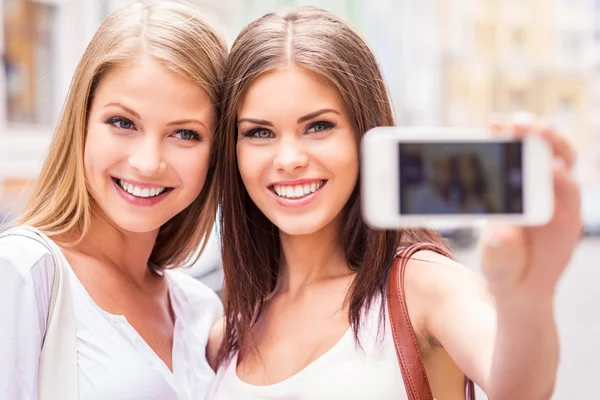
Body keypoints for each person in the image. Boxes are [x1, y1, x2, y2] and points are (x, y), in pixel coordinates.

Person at [207, 6, 581, 399]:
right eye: (259, 132)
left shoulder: (423, 285)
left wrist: (527, 298)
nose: (288, 159)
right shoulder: (228, 335)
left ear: (365, 133)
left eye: (318, 126)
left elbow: (519, 390)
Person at [0, 1, 227, 399]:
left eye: (185, 133)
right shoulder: (22, 271)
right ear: (82, 121)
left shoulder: (197, 310)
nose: (148, 162)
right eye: (123, 122)